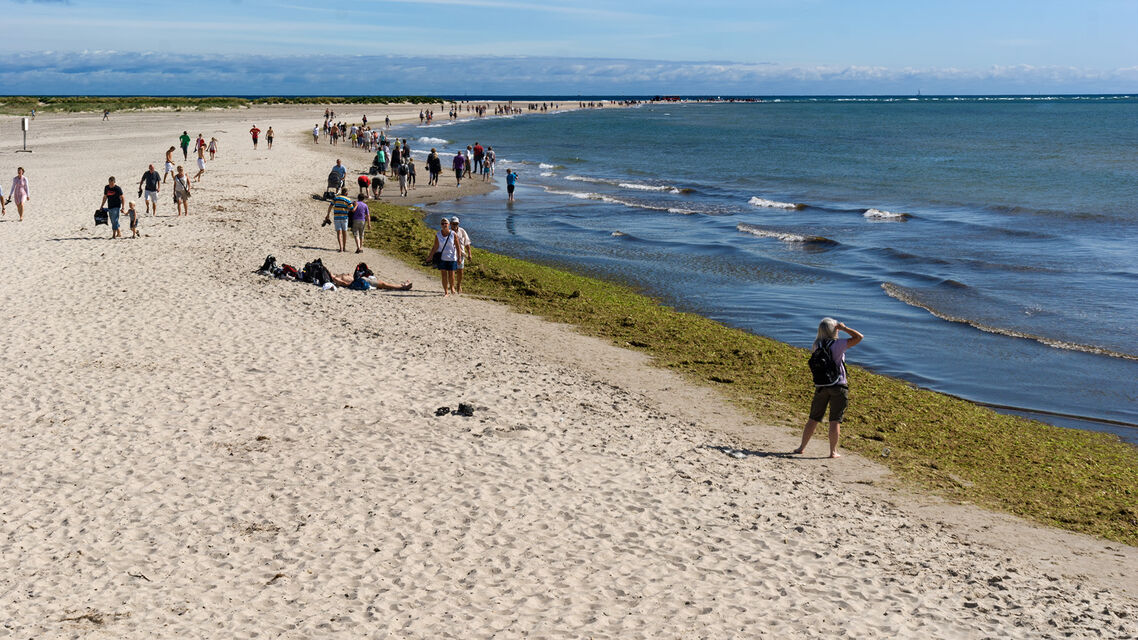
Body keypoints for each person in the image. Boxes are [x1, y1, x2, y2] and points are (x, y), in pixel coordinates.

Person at [792, 318, 864, 458]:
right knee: (834, 420)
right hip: (838, 385)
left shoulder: (816, 345)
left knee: (813, 418)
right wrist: (844, 328)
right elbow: (859, 337)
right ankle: (833, 452)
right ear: (834, 330)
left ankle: (801, 447)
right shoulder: (839, 344)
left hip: (821, 385)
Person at [427, 217, 459, 296]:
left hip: (452, 257)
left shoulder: (453, 234)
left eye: (446, 223)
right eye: (442, 223)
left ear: (449, 224)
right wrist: (430, 256)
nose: (444, 225)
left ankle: (452, 287)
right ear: (441, 225)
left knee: (451, 275)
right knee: (444, 275)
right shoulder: (438, 234)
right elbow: (435, 246)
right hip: (442, 258)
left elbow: (458, 247)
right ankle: (446, 292)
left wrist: (459, 257)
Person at [324, 187, 353, 253]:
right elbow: (351, 209)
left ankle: (341, 248)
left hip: (337, 217)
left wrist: (328, 214)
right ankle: (344, 247)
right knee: (344, 233)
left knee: (339, 233)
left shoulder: (336, 198)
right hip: (344, 217)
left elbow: (331, 206)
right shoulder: (348, 199)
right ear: (346, 193)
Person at [451, 216, 471, 294]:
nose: (455, 225)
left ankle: (459, 285)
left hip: (461, 254)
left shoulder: (462, 231)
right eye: (453, 223)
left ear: (458, 224)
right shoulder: (448, 232)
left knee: (460, 271)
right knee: (451, 271)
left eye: (456, 223)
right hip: (451, 254)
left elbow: (467, 243)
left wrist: (469, 254)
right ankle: (452, 286)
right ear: (450, 224)